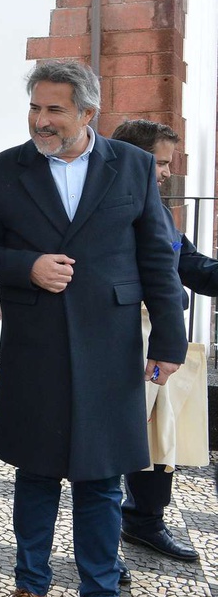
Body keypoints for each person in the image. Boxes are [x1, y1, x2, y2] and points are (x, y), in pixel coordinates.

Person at [0, 61, 186, 597]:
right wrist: (28, 266)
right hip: (34, 342)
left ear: (88, 112)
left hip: (110, 344)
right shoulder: (1, 171)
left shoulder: (133, 167)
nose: (41, 120)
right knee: (36, 472)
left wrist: (168, 342)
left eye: (54, 110)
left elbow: (159, 258)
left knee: (102, 478)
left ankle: (100, 594)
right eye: (35, 108)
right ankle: (30, 587)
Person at [109, 119, 212, 572]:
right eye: (163, 163)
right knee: (114, 443)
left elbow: (189, 264)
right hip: (116, 346)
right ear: (136, 159)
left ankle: (145, 519)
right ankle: (101, 546)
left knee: (157, 437)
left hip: (158, 351)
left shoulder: (161, 217)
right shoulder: (106, 215)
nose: (169, 173)